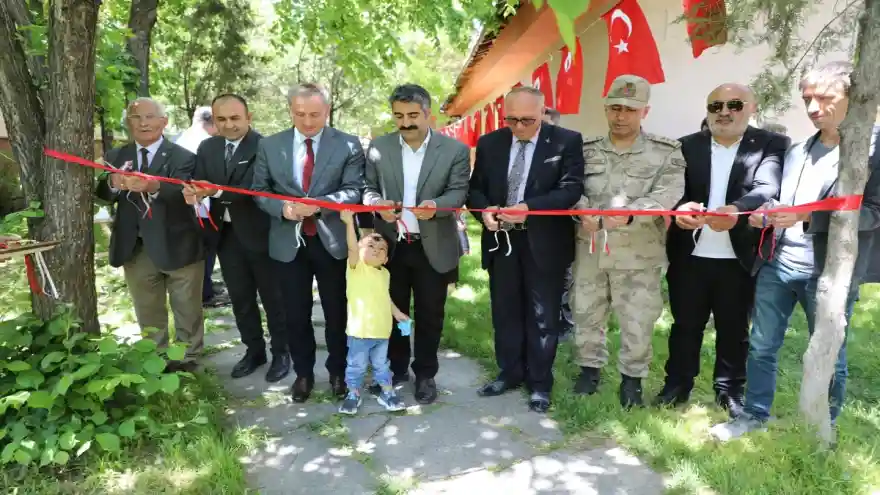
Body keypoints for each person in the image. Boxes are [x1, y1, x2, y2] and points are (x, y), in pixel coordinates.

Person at [709, 61, 880, 441]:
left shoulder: (872, 150)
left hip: (831, 270)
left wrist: (806, 218)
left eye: (825, 98)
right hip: (779, 262)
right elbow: (785, 201)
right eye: (807, 99)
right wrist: (767, 217)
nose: (813, 108)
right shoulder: (799, 149)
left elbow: (872, 214)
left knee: (829, 351)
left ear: (853, 97)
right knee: (761, 345)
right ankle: (754, 416)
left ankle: (823, 428)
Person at [657, 83, 790, 417]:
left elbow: (767, 186)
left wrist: (736, 210)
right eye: (715, 106)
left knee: (734, 328)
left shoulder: (771, 143)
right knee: (685, 325)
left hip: (739, 256)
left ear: (751, 107)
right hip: (690, 253)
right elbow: (671, 189)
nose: (724, 112)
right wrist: (679, 208)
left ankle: (730, 390)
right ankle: (677, 385)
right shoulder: (686, 146)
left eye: (733, 104)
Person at [467, 86, 585, 413]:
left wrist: (529, 207)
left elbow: (571, 189)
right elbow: (475, 190)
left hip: (544, 242)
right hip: (501, 239)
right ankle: (509, 372)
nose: (518, 127)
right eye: (512, 120)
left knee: (542, 316)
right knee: (505, 311)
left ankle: (540, 383)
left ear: (543, 112)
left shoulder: (566, 141)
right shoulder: (490, 143)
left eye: (527, 120)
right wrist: (485, 211)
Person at [572, 75, 686, 409]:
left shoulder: (666, 152)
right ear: (607, 108)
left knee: (637, 317)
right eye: (615, 108)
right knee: (586, 310)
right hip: (591, 247)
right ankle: (588, 369)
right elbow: (571, 187)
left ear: (644, 112)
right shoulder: (586, 150)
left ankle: (631, 379)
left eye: (630, 110)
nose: (621, 116)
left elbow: (668, 193)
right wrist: (581, 212)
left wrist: (633, 212)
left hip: (639, 252)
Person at [251, 83, 365, 403]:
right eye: (300, 114)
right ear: (291, 111)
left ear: (326, 111)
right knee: (295, 314)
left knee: (337, 312)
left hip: (331, 242)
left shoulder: (348, 144)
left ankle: (339, 373)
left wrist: (321, 204)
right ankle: (303, 374)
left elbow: (354, 189)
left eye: (315, 114)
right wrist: (284, 208)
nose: (308, 121)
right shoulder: (271, 146)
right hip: (288, 243)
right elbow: (259, 190)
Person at [363, 84, 471, 404]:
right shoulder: (378, 148)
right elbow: (367, 189)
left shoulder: (454, 151)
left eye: (413, 115)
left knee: (429, 314)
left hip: (433, 246)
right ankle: (396, 371)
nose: (406, 122)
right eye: (399, 116)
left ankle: (425, 373)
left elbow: (458, 193)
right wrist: (377, 203)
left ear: (428, 114)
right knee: (391, 312)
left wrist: (437, 206)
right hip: (391, 247)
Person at [183, 94, 290, 382]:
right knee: (241, 298)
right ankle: (254, 351)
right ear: (214, 121)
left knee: (273, 298)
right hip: (225, 236)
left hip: (262, 234)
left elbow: (254, 189)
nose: (229, 125)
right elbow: (198, 181)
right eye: (222, 119)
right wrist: (192, 193)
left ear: (248, 117)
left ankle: (282, 352)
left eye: (235, 118)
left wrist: (213, 191)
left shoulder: (267, 146)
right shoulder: (208, 147)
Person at [95, 97, 205, 371]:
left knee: (187, 307)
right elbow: (102, 195)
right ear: (129, 123)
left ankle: (187, 359)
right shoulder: (115, 157)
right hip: (135, 245)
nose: (143, 123)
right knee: (147, 308)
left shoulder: (184, 157)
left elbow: (185, 193)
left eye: (149, 117)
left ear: (164, 122)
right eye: (136, 118)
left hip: (179, 244)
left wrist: (153, 186)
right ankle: (155, 359)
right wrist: (113, 182)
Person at [337, 210, 410, 414]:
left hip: (381, 331)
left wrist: (397, 313)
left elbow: (384, 297)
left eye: (381, 248)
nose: (376, 249)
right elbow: (352, 247)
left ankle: (387, 392)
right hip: (360, 332)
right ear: (359, 251)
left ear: (386, 259)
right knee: (356, 367)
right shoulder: (356, 268)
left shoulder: (385, 274)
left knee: (382, 366)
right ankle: (353, 394)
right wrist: (349, 223)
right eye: (370, 245)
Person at [174, 106, 225, 308]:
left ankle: (206, 287)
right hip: (200, 204)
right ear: (211, 123)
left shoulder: (185, 136)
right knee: (206, 249)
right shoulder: (202, 142)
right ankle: (204, 294)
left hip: (194, 203)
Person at [542, 106, 574, 338]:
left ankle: (565, 320)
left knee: (564, 279)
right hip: (531, 228)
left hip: (561, 229)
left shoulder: (567, 149)